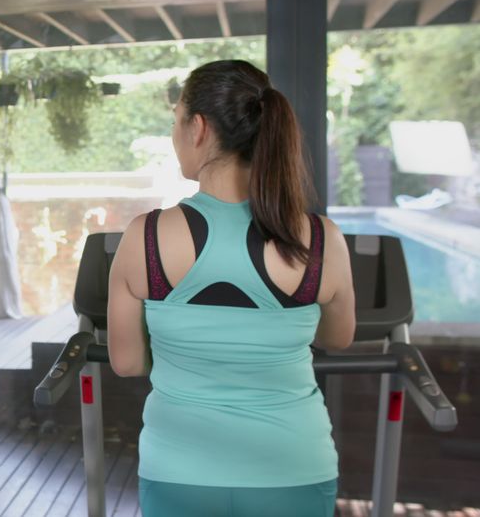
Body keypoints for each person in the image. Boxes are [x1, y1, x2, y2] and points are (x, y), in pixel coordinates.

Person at [106, 60, 356, 516]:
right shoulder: (321, 240)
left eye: (175, 119)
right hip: (294, 469)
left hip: (179, 474)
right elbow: (338, 338)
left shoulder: (144, 238)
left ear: (197, 127)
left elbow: (126, 362)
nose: (174, 133)